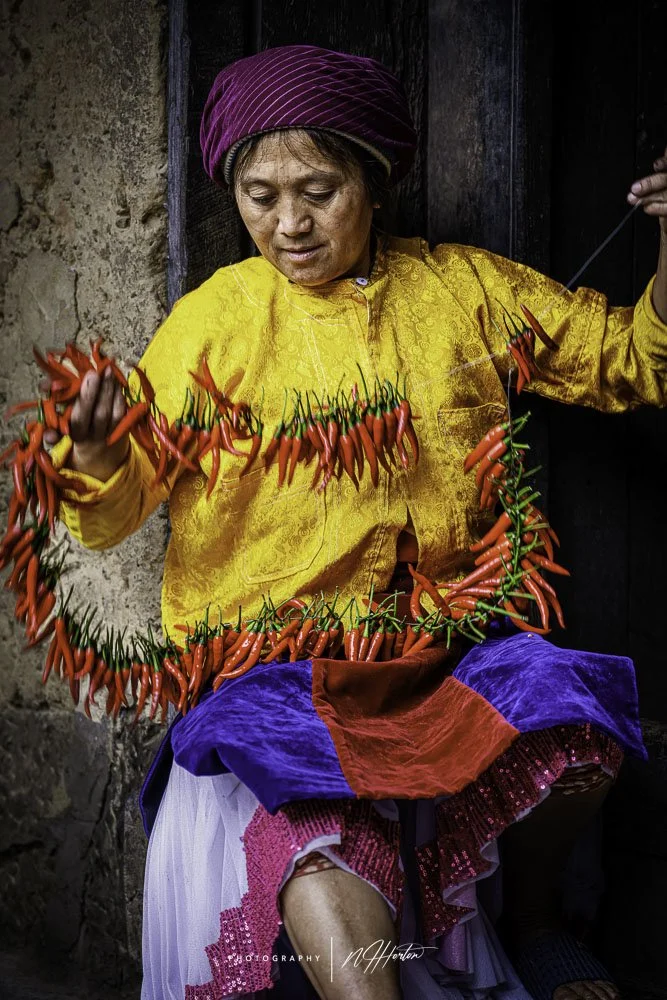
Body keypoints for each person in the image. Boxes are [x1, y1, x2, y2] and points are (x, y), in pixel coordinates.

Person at [52, 44, 667, 1000]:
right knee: (323, 834)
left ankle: (539, 922)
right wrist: (94, 457)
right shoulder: (215, 322)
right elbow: (118, 506)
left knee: (572, 716)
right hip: (276, 665)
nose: (287, 224)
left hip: (439, 652)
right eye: (259, 195)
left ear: (374, 182)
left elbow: (636, 360)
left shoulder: (462, 292)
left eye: (318, 189)